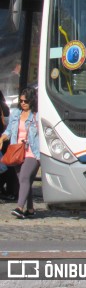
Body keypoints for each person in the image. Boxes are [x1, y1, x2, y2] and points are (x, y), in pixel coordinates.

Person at [0, 87, 40, 218]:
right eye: (21, 101)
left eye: (26, 101)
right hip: (17, 151)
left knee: (23, 178)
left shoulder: (37, 116)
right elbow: (9, 131)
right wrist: (2, 138)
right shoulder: (16, 113)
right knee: (25, 180)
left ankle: (19, 207)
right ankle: (30, 209)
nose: (23, 103)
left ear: (32, 101)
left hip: (32, 152)